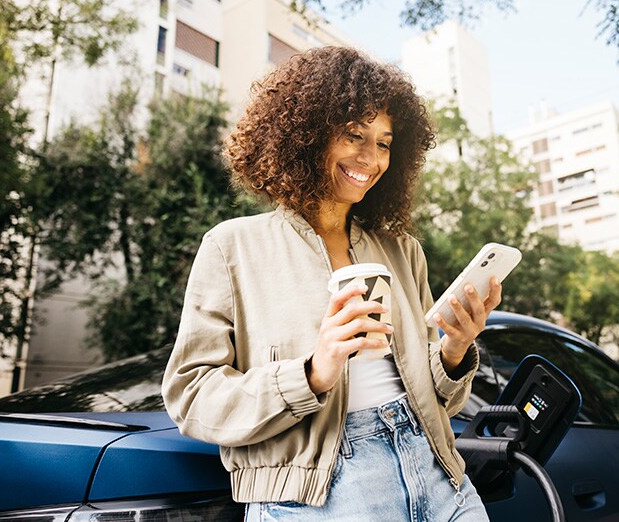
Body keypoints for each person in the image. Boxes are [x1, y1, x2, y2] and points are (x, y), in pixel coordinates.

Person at [162, 46, 501, 521]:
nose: (372, 157)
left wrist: (454, 350)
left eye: (384, 142)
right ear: (305, 135)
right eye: (353, 135)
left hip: (437, 471)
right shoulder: (232, 246)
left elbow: (441, 398)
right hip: (321, 497)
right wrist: (312, 374)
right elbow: (192, 396)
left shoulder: (402, 250)